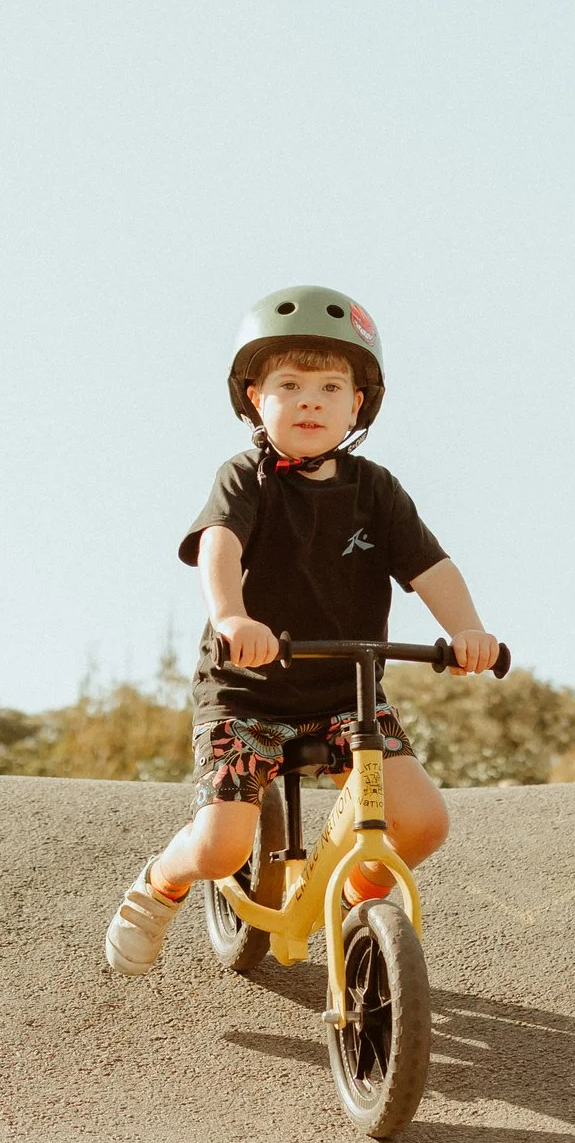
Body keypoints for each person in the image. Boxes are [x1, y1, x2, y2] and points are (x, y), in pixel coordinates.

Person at [104, 285, 501, 976]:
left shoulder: (374, 490)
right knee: (223, 847)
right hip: (249, 690)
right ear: (257, 397)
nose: (310, 399)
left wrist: (468, 631)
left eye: (329, 385)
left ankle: (359, 897)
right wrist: (232, 616)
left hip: (346, 693)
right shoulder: (245, 479)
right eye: (289, 384)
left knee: (424, 822)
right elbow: (219, 546)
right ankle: (159, 884)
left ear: (358, 404)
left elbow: (432, 568)